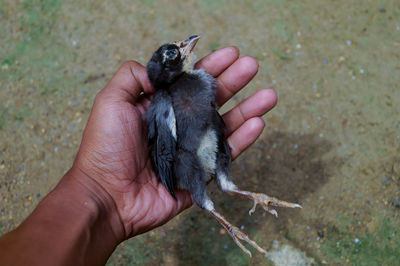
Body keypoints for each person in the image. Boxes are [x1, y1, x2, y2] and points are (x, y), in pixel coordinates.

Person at [0, 47, 277, 265]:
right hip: (185, 167)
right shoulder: (163, 104)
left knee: (222, 154)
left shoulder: (201, 85)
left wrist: (99, 189)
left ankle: (241, 191)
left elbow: (213, 125)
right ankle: (227, 221)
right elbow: (167, 154)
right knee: (201, 185)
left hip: (202, 152)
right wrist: (105, 187)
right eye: (174, 52)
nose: (186, 46)